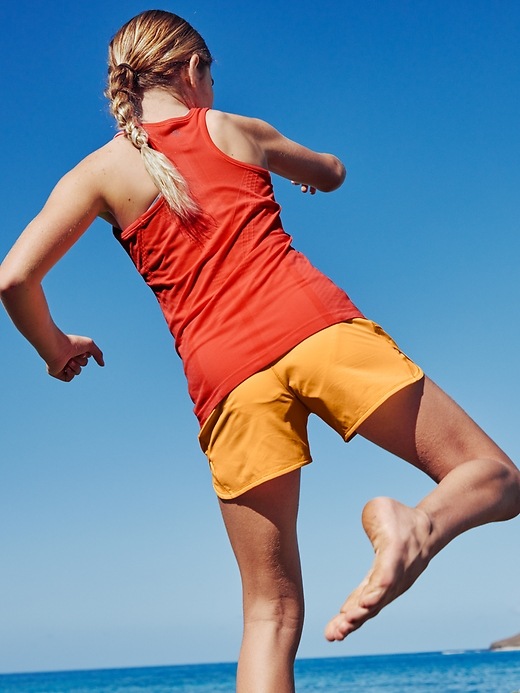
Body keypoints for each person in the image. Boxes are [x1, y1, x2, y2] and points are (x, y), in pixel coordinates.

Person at [0, 9, 518, 693]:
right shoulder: (235, 128)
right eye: (211, 72)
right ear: (194, 70)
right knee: (494, 476)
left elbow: (13, 277)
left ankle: (411, 530)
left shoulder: (95, 175)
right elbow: (331, 170)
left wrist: (55, 346)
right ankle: (417, 524)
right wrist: (302, 169)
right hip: (315, 328)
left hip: (226, 382)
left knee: (269, 614)